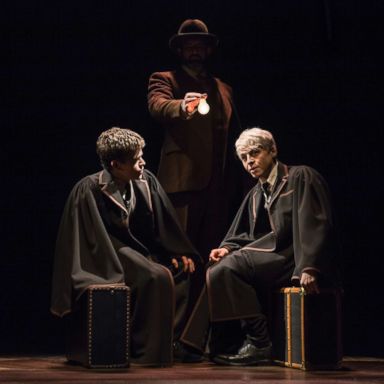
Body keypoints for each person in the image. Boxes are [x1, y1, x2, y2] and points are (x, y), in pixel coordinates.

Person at [179, 127, 340, 366]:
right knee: (220, 265)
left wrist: (309, 267)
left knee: (229, 266)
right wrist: (227, 247)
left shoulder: (299, 177)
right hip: (268, 257)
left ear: (272, 150)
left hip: (291, 257)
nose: (249, 161)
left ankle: (260, 342)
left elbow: (315, 222)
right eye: (244, 158)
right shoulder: (256, 193)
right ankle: (199, 344)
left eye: (255, 153)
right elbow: (243, 232)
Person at [50, 127, 203, 366]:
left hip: (141, 250)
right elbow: (89, 239)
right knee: (156, 275)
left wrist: (174, 251)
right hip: (107, 254)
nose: (142, 162)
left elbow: (163, 222)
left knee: (182, 270)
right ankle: (145, 351)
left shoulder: (145, 180)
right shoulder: (89, 189)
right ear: (116, 165)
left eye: (141, 155)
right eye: (136, 159)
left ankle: (169, 341)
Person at [147, 19, 243, 260]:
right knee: (182, 255)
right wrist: (182, 106)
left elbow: (235, 133)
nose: (194, 50)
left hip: (219, 186)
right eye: (188, 46)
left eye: (199, 45)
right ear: (179, 50)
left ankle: (210, 299)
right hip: (184, 183)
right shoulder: (165, 78)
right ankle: (175, 299)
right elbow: (158, 106)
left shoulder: (223, 88)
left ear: (208, 50)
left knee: (213, 254)